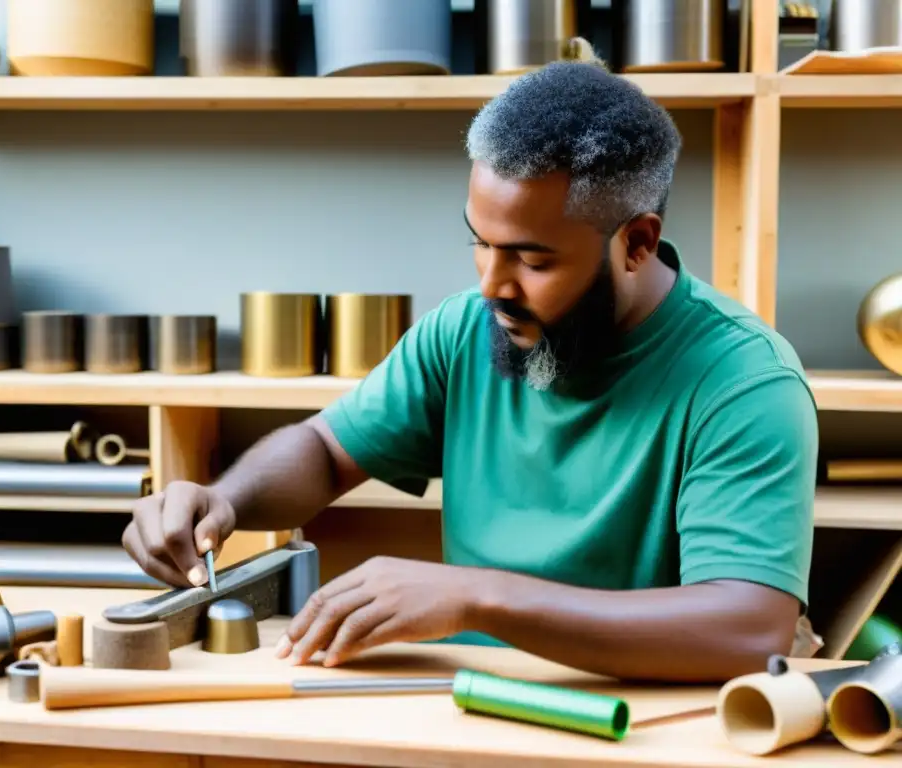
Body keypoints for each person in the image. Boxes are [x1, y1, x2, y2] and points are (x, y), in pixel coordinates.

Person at [123, 61, 818, 683]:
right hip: (461, 705)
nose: (493, 285)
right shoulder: (466, 329)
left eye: (532, 259)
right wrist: (225, 500)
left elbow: (746, 628)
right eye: (479, 243)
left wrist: (475, 595)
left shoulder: (744, 384)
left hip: (640, 727)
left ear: (636, 242)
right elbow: (326, 450)